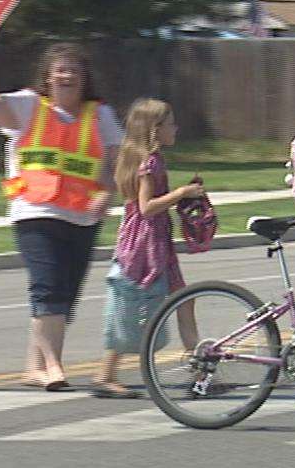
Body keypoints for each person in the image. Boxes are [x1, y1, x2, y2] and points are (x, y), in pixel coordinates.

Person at [0, 38, 122, 391]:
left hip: (81, 216)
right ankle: (53, 365)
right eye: (60, 70)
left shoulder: (101, 115)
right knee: (47, 286)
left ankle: (34, 367)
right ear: (47, 77)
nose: (67, 76)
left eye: (74, 70)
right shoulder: (28, 105)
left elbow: (112, 168)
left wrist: (105, 197)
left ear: (85, 78)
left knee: (65, 293)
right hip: (35, 211)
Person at [92, 98, 204, 398]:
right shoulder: (150, 162)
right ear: (155, 129)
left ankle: (200, 371)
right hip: (144, 245)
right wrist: (182, 193)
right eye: (170, 124)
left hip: (154, 241)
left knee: (185, 299)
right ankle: (105, 375)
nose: (176, 128)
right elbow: (146, 207)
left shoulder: (141, 157)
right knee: (129, 307)